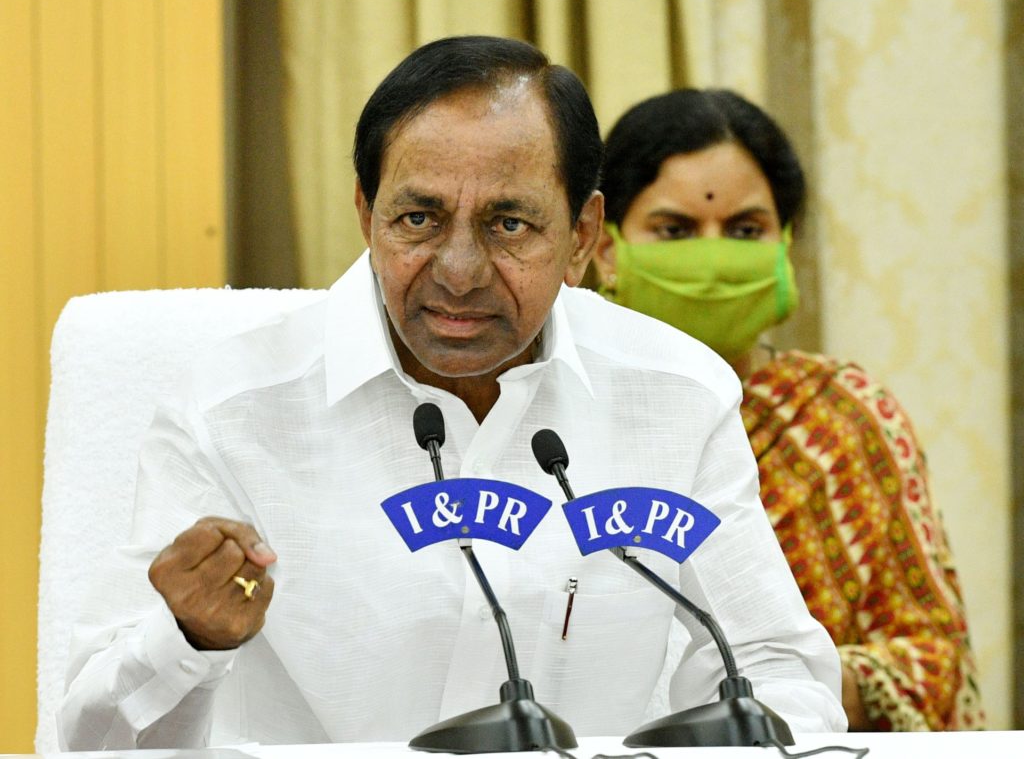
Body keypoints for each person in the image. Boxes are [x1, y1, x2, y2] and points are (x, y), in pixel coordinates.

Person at [59, 40, 845, 750]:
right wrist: (189, 637)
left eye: (509, 224)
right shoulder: (230, 410)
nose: (459, 271)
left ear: (582, 235)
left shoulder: (677, 395)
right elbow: (94, 742)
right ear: (366, 213)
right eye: (419, 218)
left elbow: (776, 669)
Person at [590, 88, 986, 731]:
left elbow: (933, 666)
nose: (714, 258)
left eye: (745, 231)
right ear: (602, 247)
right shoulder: (558, 421)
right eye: (675, 230)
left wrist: (784, 682)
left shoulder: (843, 417)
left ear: (784, 245)